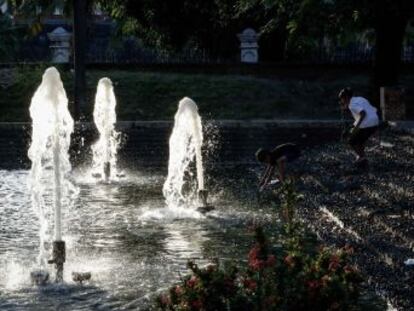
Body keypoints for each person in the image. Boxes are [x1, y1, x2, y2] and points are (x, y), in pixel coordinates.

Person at [338, 87, 379, 169]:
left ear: (345, 98)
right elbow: (374, 109)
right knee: (359, 139)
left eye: (341, 99)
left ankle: (362, 157)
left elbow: (363, 114)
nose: (341, 102)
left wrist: (354, 129)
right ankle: (361, 157)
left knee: (351, 140)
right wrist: (353, 127)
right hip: (375, 122)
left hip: (367, 124)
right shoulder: (360, 99)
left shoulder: (351, 105)